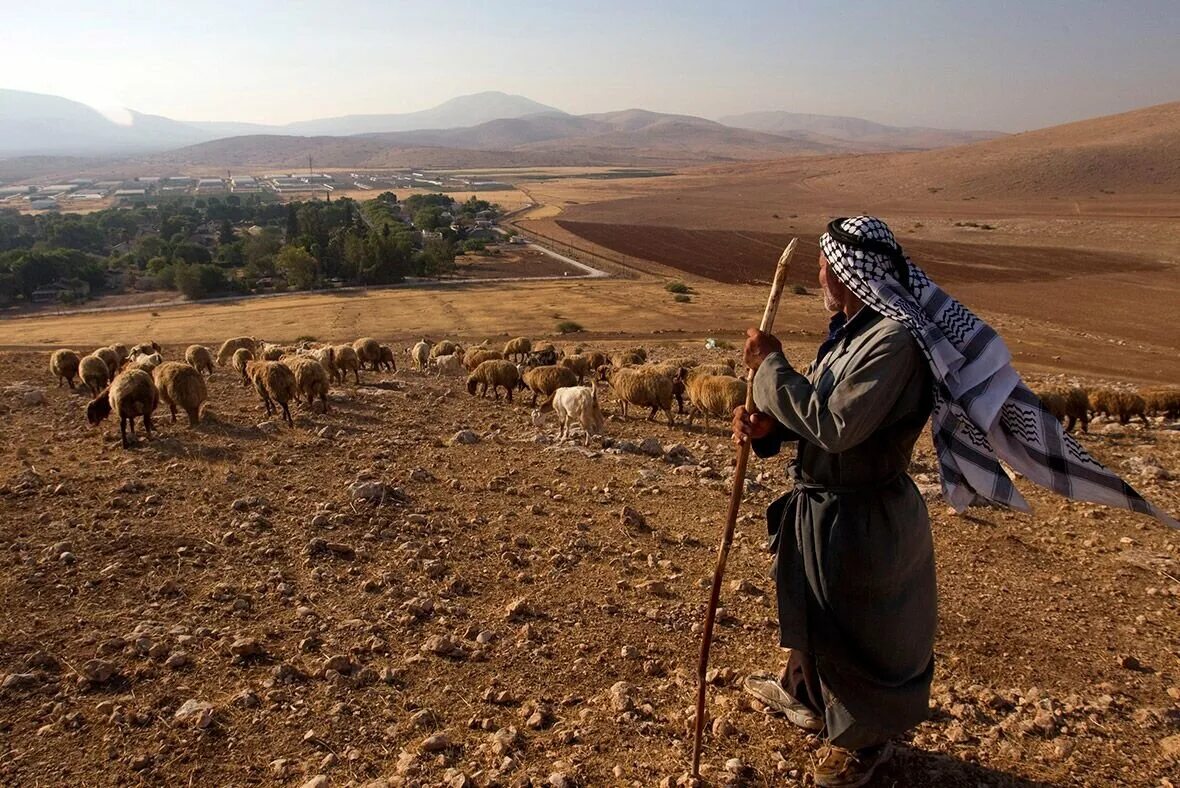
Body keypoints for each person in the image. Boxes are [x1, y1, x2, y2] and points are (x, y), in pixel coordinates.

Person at [733, 216, 1175, 787]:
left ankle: (863, 747)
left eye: (826, 263)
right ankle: (805, 696)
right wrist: (769, 430)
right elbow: (816, 413)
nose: (819, 272)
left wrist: (770, 366)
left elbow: (838, 425)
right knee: (816, 610)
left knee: (860, 628)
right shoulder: (850, 330)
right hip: (824, 503)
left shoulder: (891, 341)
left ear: (850, 273)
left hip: (862, 514)